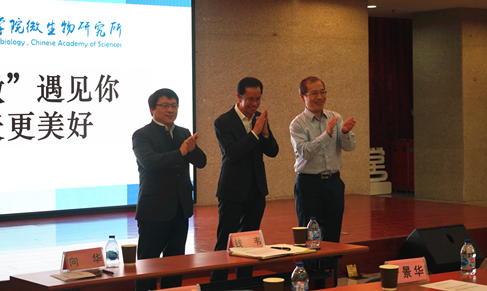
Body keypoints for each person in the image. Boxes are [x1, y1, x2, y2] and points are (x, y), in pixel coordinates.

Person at [132, 88, 207, 291]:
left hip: (180, 209)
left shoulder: (183, 133)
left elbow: (201, 162)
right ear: (152, 109)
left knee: (175, 263)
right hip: (154, 209)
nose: (170, 110)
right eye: (165, 105)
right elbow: (149, 162)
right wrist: (180, 152)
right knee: (148, 264)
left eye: (174, 106)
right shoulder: (142, 135)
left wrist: (192, 150)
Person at [211, 77, 279, 282]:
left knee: (250, 242)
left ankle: (245, 283)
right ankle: (218, 285)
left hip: (256, 189)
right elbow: (232, 153)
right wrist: (255, 133)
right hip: (232, 190)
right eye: (250, 99)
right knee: (225, 240)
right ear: (238, 97)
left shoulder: (259, 118)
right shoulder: (223, 121)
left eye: (258, 99)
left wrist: (265, 133)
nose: (255, 104)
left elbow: (273, 151)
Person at [290, 76, 356, 243]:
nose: (320, 97)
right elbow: (305, 152)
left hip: (334, 183)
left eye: (323, 92)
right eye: (314, 93)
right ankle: (310, 262)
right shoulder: (297, 124)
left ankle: (331, 261)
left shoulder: (336, 117)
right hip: (309, 184)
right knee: (308, 236)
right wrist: (327, 134)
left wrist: (345, 132)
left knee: (333, 233)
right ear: (302, 97)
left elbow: (349, 147)